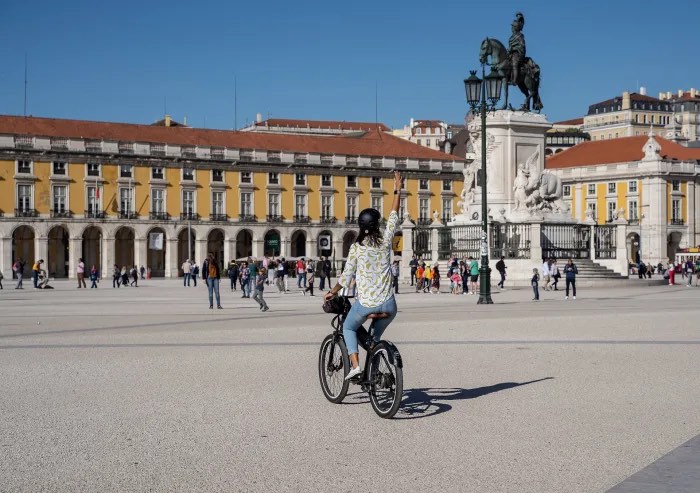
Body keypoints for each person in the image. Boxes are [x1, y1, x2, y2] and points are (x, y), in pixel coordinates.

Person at [324, 171, 403, 381]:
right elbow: (394, 214)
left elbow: (346, 276)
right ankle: (375, 373)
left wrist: (331, 293)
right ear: (377, 225)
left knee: (349, 327)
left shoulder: (357, 247)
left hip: (367, 303)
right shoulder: (386, 241)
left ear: (360, 226)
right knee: (374, 340)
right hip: (389, 305)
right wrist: (398, 189)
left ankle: (356, 365)